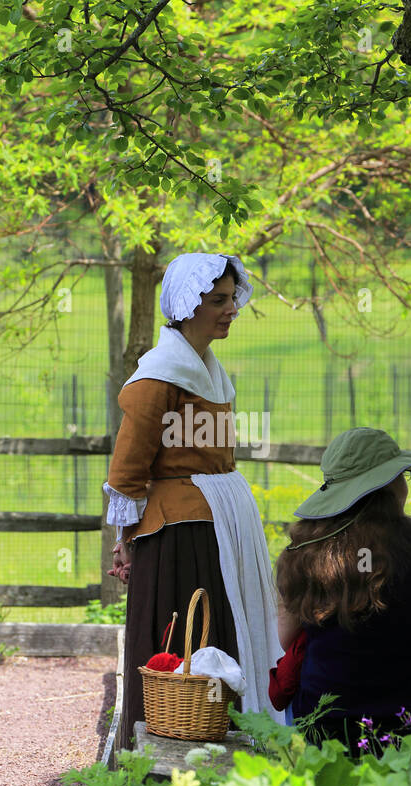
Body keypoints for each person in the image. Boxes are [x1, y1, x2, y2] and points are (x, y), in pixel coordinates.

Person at [103, 253, 284, 756]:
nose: (231, 310)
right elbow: (127, 474)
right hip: (176, 535)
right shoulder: (157, 378)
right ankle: (161, 758)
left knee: (212, 640)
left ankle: (218, 751)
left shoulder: (210, 370)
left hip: (215, 526)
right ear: (188, 305)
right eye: (219, 301)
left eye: (232, 299)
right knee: (178, 639)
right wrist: (127, 540)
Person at [275, 427, 411, 754]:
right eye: (403, 474)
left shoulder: (305, 553)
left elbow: (284, 638)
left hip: (332, 732)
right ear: (391, 484)